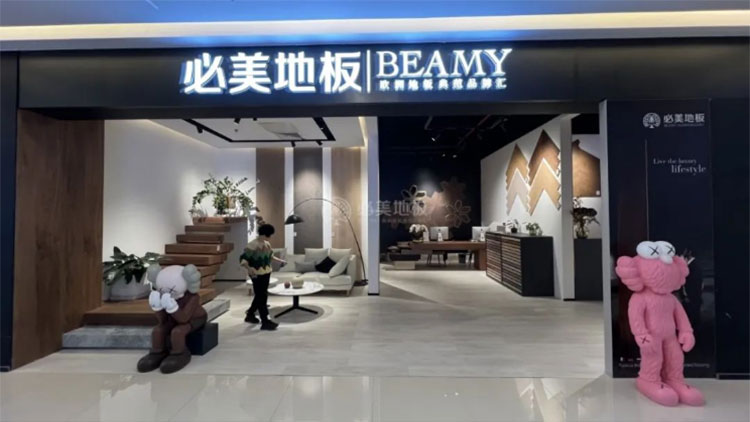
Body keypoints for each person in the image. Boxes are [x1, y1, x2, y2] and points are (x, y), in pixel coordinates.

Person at [240, 224, 286, 331]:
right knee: (262, 296)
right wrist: (249, 269)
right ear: (266, 234)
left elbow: (270, 256)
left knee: (260, 295)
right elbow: (243, 260)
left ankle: (250, 314)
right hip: (256, 274)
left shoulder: (267, 244)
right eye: (270, 235)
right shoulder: (252, 245)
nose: (271, 237)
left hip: (266, 272)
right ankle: (265, 321)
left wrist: (280, 261)